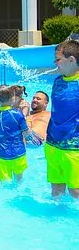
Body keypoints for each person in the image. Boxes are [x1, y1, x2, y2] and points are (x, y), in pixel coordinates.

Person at [45, 40, 79, 199]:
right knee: (56, 189)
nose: (54, 63)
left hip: (74, 147)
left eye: (58, 59)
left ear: (71, 60)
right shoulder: (58, 81)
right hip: (53, 143)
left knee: (75, 191)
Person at [0, 86, 31, 183]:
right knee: (19, 181)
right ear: (12, 99)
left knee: (3, 183)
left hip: (2, 155)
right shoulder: (18, 114)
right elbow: (26, 133)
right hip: (19, 153)